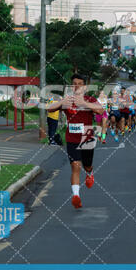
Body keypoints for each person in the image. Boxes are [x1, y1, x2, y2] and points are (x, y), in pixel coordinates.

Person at [47, 73, 103, 209]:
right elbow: (49, 109)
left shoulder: (90, 99)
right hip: (71, 137)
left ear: (84, 87)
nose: (77, 86)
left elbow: (101, 111)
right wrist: (61, 102)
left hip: (88, 136)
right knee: (75, 166)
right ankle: (76, 196)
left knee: (87, 165)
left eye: (80, 83)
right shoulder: (67, 100)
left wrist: (84, 104)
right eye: (74, 84)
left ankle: (89, 173)